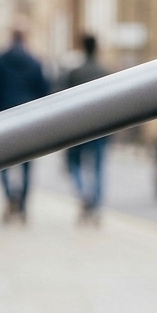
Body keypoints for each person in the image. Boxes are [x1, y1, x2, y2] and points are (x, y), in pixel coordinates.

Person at [0, 30, 51, 223]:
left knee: (2, 164)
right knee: (27, 165)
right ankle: (22, 204)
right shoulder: (34, 62)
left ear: (11, 37)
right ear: (25, 38)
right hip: (28, 120)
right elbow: (44, 90)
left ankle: (9, 197)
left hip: (4, 117)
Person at [63, 35, 111, 224]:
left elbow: (66, 103)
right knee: (98, 168)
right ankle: (96, 206)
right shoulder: (104, 72)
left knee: (75, 165)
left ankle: (84, 194)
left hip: (78, 129)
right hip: (100, 128)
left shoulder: (75, 73)